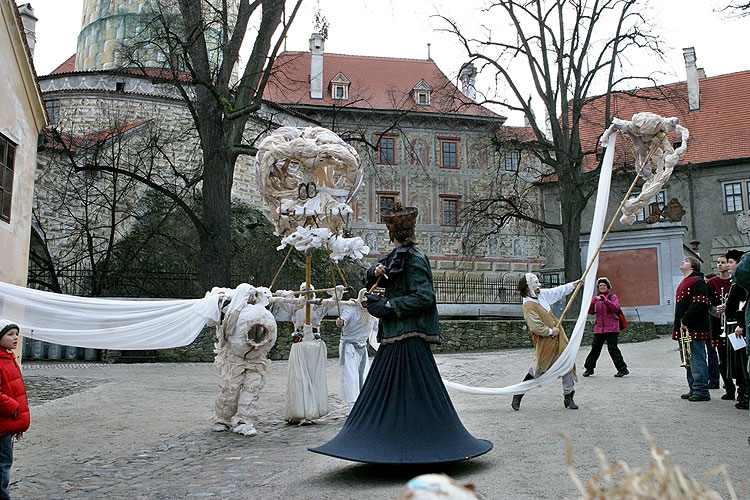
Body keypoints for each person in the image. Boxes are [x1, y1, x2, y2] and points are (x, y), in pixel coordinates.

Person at [309, 203, 492, 463]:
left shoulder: (414, 258)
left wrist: (389, 305)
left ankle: (408, 442)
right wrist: (374, 271)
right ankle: (387, 440)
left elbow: (424, 296)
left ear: (391, 233)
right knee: (388, 391)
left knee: (409, 392)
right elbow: (372, 277)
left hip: (409, 336)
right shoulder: (395, 257)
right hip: (393, 335)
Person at [512, 273, 582, 411]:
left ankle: (569, 397)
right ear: (527, 288)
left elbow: (556, 292)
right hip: (546, 342)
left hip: (559, 338)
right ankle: (518, 394)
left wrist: (573, 285)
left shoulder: (541, 295)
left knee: (567, 363)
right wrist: (550, 332)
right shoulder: (528, 305)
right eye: (535, 286)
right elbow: (535, 326)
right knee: (538, 370)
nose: (539, 288)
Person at [672, 256, 711, 402]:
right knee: (688, 359)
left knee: (696, 358)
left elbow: (699, 304)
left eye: (686, 261)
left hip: (693, 327)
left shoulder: (698, 281)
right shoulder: (685, 281)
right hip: (684, 328)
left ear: (693, 266)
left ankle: (701, 390)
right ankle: (693, 387)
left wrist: (686, 320)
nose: (682, 262)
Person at [0, 320, 30, 500]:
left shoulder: (8, 357)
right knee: (2, 467)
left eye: (16, 334)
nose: (16, 338)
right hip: (2, 425)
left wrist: (16, 423)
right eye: (10, 334)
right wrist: (14, 410)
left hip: (6, 425)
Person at [583, 277, 629, 377]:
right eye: (600, 286)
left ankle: (622, 369)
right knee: (595, 348)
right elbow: (591, 312)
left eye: (604, 285)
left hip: (612, 327)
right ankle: (589, 368)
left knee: (612, 348)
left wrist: (606, 301)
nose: (602, 287)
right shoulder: (597, 298)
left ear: (607, 286)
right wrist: (592, 302)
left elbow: (615, 308)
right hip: (599, 327)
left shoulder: (612, 297)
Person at [335, 290, 373, 410]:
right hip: (349, 348)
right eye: (364, 302)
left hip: (362, 347)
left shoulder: (371, 313)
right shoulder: (351, 308)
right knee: (351, 375)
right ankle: (352, 402)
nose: (366, 304)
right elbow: (343, 319)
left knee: (364, 373)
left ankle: (363, 399)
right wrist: (341, 322)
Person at [722, 250, 749, 410]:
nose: (727, 265)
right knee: (736, 364)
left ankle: (745, 394)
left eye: (731, 262)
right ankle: (742, 393)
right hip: (734, 325)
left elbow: (745, 304)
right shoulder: (735, 282)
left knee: (741, 363)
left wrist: (741, 324)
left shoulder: (743, 282)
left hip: (739, 326)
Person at [706, 257, 734, 397]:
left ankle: (743, 387)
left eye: (723, 262)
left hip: (734, 324)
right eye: (718, 262)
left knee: (737, 356)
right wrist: (717, 311)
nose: (720, 265)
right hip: (718, 324)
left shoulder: (735, 281)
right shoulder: (711, 283)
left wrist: (729, 308)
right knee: (722, 358)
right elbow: (708, 303)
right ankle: (729, 388)